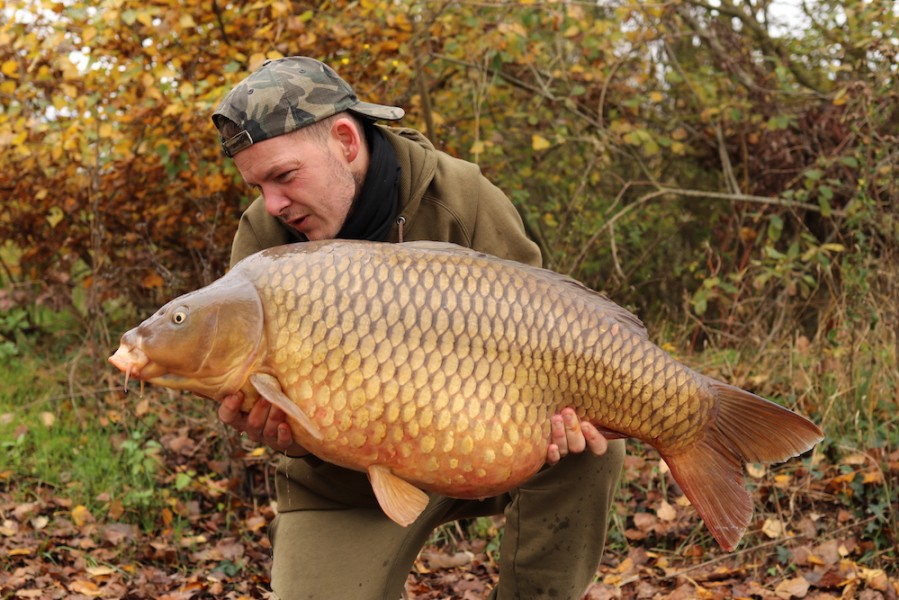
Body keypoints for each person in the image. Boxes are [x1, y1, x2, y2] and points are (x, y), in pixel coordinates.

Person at [211, 56, 625, 600]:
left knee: (593, 445)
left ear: (345, 140)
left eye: (284, 176)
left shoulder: (461, 199)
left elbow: (547, 330)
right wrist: (278, 429)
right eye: (256, 185)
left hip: (484, 447)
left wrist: (552, 417)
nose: (274, 203)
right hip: (348, 482)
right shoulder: (263, 242)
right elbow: (239, 375)